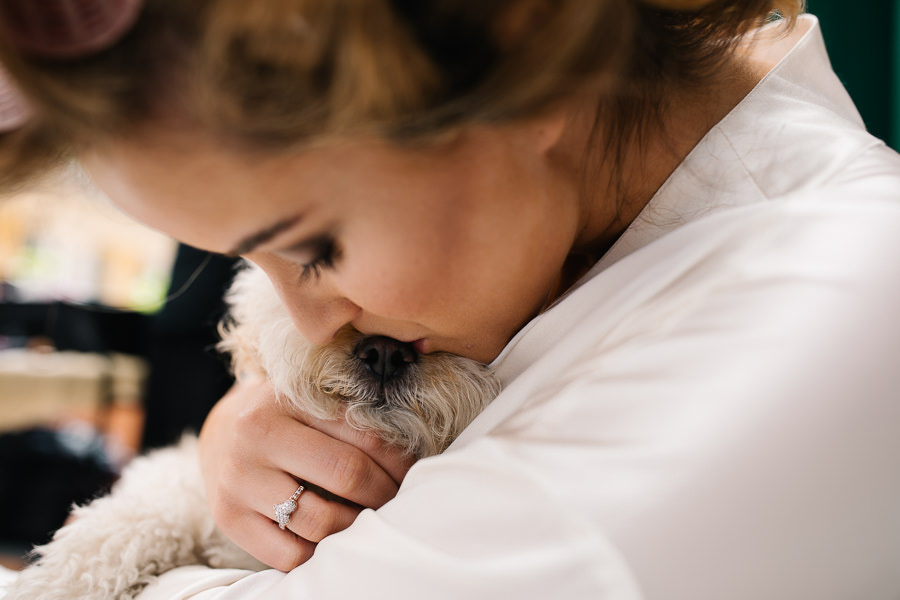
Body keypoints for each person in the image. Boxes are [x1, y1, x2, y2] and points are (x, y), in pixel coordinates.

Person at [1, 1, 899, 598]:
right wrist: (230, 460)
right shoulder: (567, 261)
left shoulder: (833, 303)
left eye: (315, 248)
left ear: (531, 66)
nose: (313, 328)